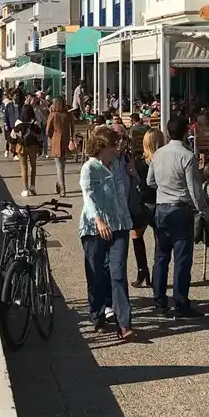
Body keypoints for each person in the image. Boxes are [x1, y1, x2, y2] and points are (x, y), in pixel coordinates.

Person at [147, 115, 209, 317]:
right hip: (180, 208)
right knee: (182, 260)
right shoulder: (187, 155)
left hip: (161, 207)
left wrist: (164, 189)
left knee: (161, 257)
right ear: (186, 132)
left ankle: (159, 301)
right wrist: (203, 210)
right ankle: (181, 303)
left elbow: (150, 181)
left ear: (168, 132)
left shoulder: (158, 153)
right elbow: (195, 189)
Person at [78, 127, 134, 340]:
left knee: (118, 273)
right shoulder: (89, 168)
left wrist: (133, 175)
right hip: (94, 228)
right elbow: (88, 196)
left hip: (120, 224)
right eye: (113, 146)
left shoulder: (119, 164)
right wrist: (98, 220)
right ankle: (98, 315)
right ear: (102, 147)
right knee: (96, 274)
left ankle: (124, 322)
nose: (116, 149)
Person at [129, 129, 163, 289]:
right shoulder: (164, 160)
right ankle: (157, 273)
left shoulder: (139, 162)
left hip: (144, 203)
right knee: (159, 239)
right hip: (161, 202)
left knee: (136, 235)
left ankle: (142, 270)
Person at [45, 97, 75, 196]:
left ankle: (62, 187)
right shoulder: (68, 114)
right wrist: (71, 138)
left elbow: (48, 130)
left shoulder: (53, 115)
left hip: (56, 139)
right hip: (66, 139)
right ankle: (59, 183)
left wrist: (52, 137)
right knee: (62, 165)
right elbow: (72, 128)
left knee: (59, 165)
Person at [11, 104, 42, 196]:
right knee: (33, 166)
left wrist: (12, 147)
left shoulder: (18, 123)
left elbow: (12, 137)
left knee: (24, 168)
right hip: (33, 147)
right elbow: (39, 137)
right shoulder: (35, 123)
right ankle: (33, 186)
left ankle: (25, 189)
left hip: (21, 147)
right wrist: (40, 147)